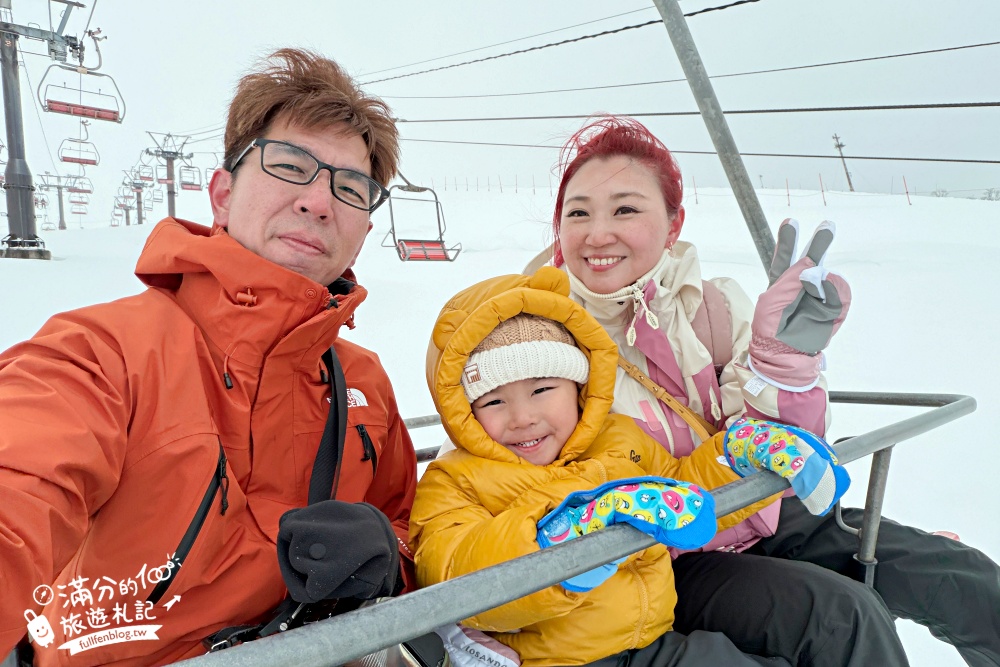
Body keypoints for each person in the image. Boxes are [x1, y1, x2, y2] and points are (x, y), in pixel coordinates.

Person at [0, 49, 417, 665]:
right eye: (290, 165)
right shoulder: (102, 356)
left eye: (350, 187)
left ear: (363, 227)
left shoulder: (364, 382)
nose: (319, 201)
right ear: (221, 194)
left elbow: (408, 526)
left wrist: (386, 552)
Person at [548, 115, 1000, 666]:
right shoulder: (543, 341)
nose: (598, 234)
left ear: (672, 224)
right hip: (664, 558)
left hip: (766, 516)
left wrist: (782, 370)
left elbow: (782, 445)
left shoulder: (710, 307)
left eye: (625, 209)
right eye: (578, 213)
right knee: (841, 617)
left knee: (964, 581)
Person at [411, 266, 859, 667]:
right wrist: (564, 541)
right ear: (462, 412)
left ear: (578, 387)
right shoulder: (453, 480)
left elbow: (681, 485)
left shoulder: (618, 437)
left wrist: (734, 458)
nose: (523, 417)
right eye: (493, 401)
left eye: (542, 389)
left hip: (652, 640)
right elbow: (451, 571)